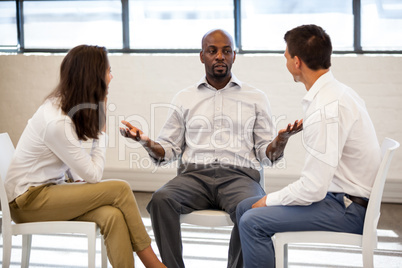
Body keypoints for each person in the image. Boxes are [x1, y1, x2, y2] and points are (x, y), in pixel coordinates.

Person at [120, 29, 302, 268]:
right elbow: (169, 150)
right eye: (212, 51)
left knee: (251, 208)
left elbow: (266, 156)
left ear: (234, 56)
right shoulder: (184, 97)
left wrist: (281, 139)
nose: (219, 56)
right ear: (202, 56)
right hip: (194, 177)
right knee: (160, 200)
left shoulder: (255, 97)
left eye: (226, 51)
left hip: (239, 177)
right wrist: (145, 142)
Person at [5, 45, 165, 268]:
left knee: (113, 216)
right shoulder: (57, 120)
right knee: (120, 189)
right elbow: (93, 175)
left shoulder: (65, 107)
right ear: (93, 78)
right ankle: (155, 264)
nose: (112, 76)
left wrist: (74, 181)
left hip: (48, 191)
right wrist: (102, 127)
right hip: (28, 202)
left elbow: (65, 157)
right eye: (108, 70)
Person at [236, 24, 382, 267]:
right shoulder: (338, 93)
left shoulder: (326, 108)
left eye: (285, 56)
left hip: (347, 210)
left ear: (296, 62)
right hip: (341, 199)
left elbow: (313, 188)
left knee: (252, 221)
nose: (285, 62)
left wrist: (270, 200)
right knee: (245, 208)